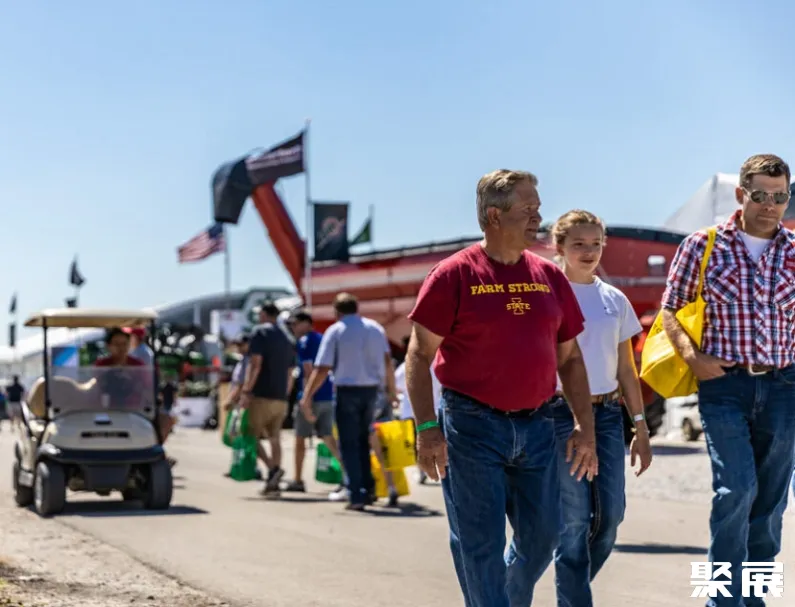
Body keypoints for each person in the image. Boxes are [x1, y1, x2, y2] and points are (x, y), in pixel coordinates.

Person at [405, 169, 597, 606]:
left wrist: (584, 427)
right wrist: (427, 428)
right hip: (472, 426)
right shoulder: (453, 275)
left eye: (538, 208)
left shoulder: (549, 276)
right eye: (528, 209)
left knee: (544, 537)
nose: (538, 217)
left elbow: (569, 358)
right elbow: (418, 355)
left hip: (539, 426)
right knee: (480, 542)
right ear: (495, 215)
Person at [661, 153, 795, 607]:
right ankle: (721, 601)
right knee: (735, 488)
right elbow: (669, 309)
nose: (770, 205)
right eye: (761, 195)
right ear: (741, 194)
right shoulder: (702, 245)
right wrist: (691, 357)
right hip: (724, 387)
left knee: (771, 505)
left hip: (785, 387)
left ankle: (753, 600)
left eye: (780, 196)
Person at [549, 209, 653, 606]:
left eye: (596, 244)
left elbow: (627, 368)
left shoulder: (614, 299)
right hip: (560, 416)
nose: (589, 251)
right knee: (574, 521)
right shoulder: (547, 293)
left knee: (609, 520)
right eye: (579, 244)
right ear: (559, 247)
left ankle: (570, 588)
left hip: (609, 416)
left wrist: (640, 428)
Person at [300, 292, 398, 511]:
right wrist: (391, 392)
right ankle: (369, 488)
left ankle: (357, 494)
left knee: (348, 443)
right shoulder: (375, 328)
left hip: (347, 391)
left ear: (337, 311)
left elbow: (322, 368)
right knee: (365, 441)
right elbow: (387, 362)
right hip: (372, 392)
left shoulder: (336, 331)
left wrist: (307, 396)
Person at [282, 312, 343, 494]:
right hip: (327, 395)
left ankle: (298, 479)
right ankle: (348, 475)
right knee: (328, 436)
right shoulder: (321, 338)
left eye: (295, 324)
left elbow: (309, 371)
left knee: (300, 438)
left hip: (312, 396)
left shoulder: (305, 342)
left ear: (306, 323)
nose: (293, 328)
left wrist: (306, 399)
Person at [240, 302, 296, 498]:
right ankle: (274, 480)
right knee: (275, 437)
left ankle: (272, 469)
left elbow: (256, 364)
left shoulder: (259, 333)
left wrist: (247, 390)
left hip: (261, 394)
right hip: (280, 396)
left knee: (248, 433)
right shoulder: (287, 337)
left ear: (264, 314)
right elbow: (291, 372)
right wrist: (285, 393)